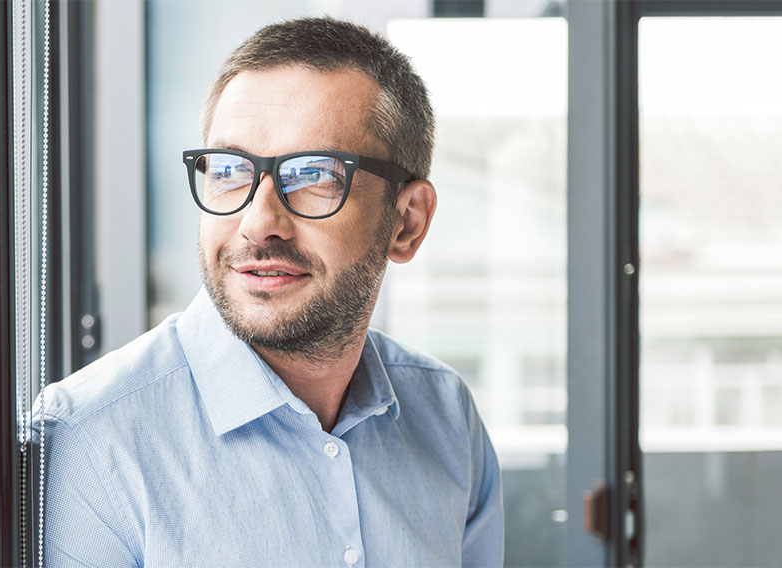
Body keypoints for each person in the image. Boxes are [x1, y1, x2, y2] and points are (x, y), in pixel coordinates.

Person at [35, 17, 503, 567]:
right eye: (230, 170)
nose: (259, 223)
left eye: (313, 175)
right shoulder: (88, 440)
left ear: (406, 222)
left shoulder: (446, 418)